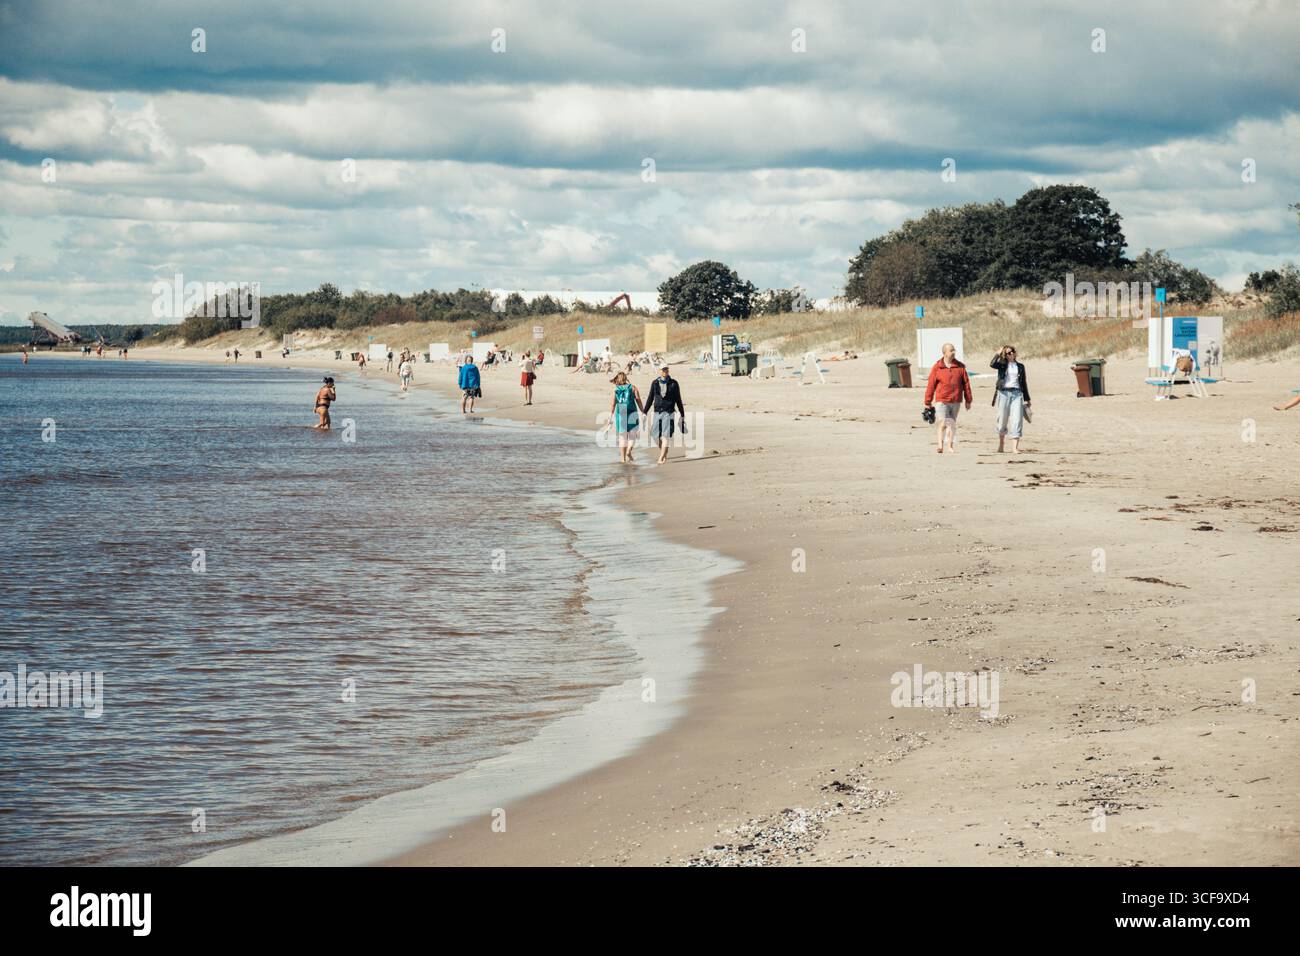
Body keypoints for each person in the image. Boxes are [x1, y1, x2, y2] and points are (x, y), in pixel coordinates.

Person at [923, 343, 972, 454]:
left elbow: (966, 384)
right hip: (942, 400)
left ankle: (949, 445)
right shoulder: (937, 367)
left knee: (951, 423)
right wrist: (928, 402)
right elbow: (931, 385)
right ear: (945, 353)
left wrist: (968, 400)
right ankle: (940, 445)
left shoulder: (960, 366)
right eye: (951, 350)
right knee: (943, 422)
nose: (953, 352)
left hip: (956, 400)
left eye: (954, 350)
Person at [990, 345, 1031, 454]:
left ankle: (1014, 448)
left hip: (1017, 394)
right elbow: (992, 364)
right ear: (1005, 355)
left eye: (1012, 351)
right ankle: (1001, 444)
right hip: (1003, 393)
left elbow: (1023, 383)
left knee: (1017, 419)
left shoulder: (1020, 366)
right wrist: (998, 353)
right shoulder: (1002, 365)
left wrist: (1027, 398)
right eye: (1008, 353)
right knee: (1002, 420)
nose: (1011, 354)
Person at [642, 363, 685, 465]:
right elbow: (650, 398)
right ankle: (664, 450)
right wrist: (644, 412)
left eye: (666, 369)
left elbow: (678, 399)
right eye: (663, 369)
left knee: (665, 436)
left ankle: (661, 457)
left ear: (668, 370)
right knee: (655, 436)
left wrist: (682, 414)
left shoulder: (674, 383)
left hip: (669, 412)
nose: (665, 371)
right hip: (657, 411)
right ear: (659, 371)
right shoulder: (655, 383)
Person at [609, 371, 643, 463]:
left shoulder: (615, 389)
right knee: (632, 435)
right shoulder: (633, 387)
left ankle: (623, 459)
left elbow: (613, 404)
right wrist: (643, 411)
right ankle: (628, 451)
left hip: (621, 412)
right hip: (632, 411)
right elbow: (638, 400)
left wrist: (610, 416)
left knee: (622, 437)